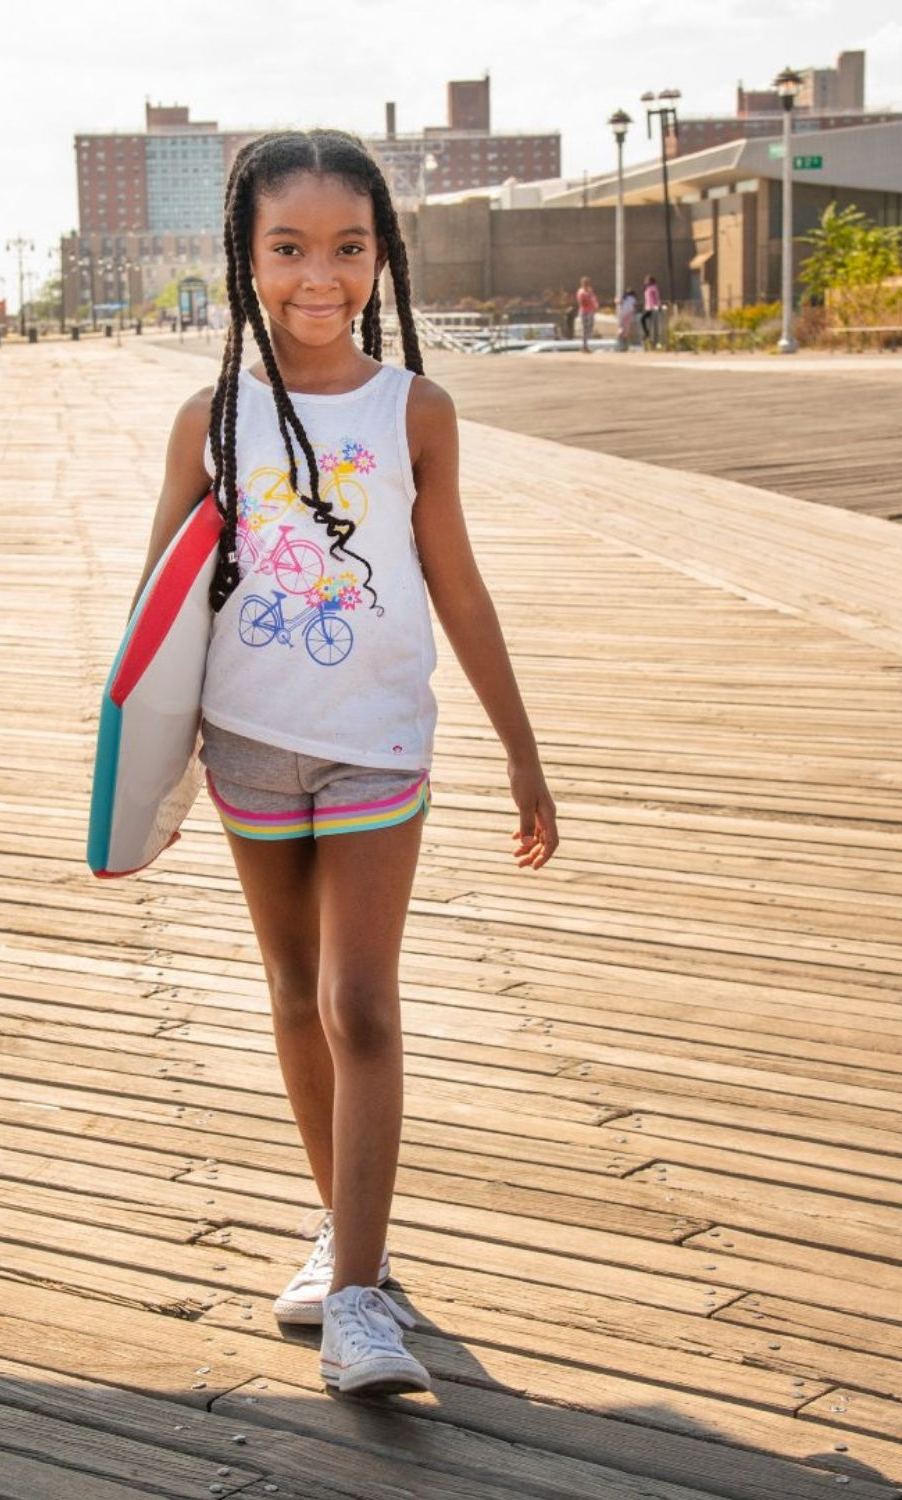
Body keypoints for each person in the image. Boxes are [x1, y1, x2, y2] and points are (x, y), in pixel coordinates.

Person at [132, 129, 558, 1399]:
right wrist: (138, 772)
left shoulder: (412, 409)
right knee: (287, 995)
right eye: (289, 247)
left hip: (377, 742)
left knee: (358, 1003)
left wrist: (523, 753)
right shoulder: (211, 418)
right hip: (249, 746)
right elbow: (158, 607)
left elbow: (460, 586)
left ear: (383, 256)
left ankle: (363, 1301)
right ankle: (345, 1233)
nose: (320, 274)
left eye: (349, 248)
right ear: (243, 256)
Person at [575, 276, 598, 352]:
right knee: (585, 329)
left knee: (590, 326)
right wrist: (587, 301)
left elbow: (593, 298)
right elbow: (582, 302)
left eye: (587, 283)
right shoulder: (581, 292)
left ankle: (586, 344)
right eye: (585, 283)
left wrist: (595, 305)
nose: (587, 285)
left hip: (590, 311)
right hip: (584, 311)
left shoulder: (590, 291)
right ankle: (584, 346)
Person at [640, 275, 661, 348]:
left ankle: (647, 333)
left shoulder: (653, 288)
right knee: (647, 321)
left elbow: (656, 297)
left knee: (642, 319)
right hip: (648, 307)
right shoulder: (648, 288)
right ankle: (648, 334)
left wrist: (657, 305)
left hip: (652, 308)